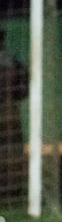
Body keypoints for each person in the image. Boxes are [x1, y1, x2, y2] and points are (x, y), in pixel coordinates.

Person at [0, 29, 28, 200]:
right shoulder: (12, 62)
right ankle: (12, 187)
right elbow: (23, 90)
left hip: (7, 107)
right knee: (11, 148)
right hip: (8, 109)